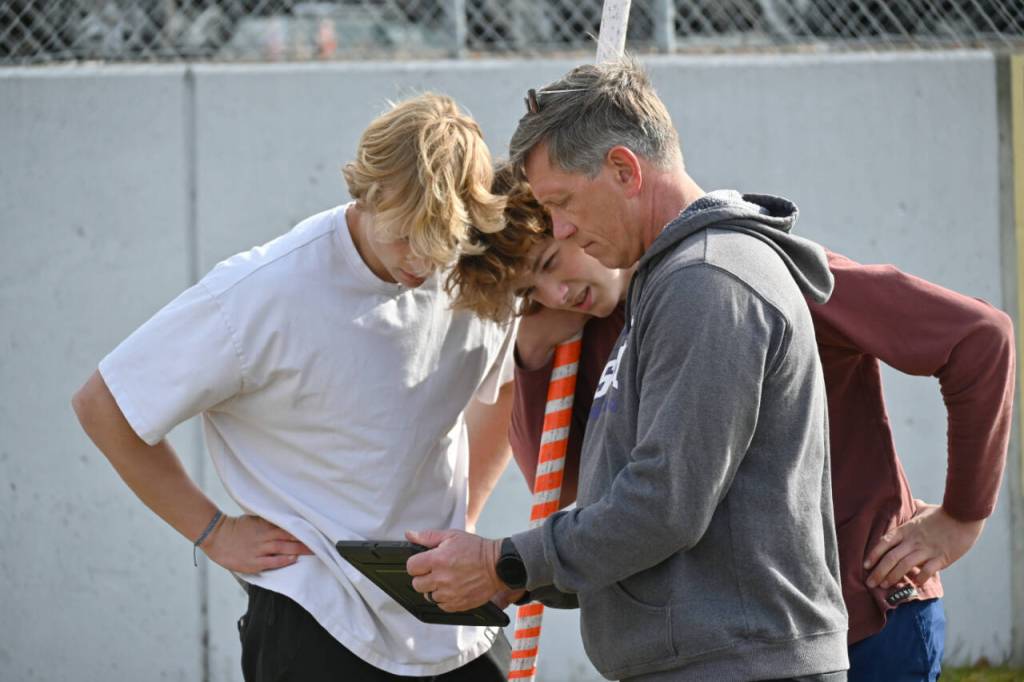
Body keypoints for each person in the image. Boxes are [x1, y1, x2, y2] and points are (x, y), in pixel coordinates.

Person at [450, 162, 1016, 681]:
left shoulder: (741, 278)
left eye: (552, 264)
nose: (557, 293)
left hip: (865, 615)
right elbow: (568, 484)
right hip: (747, 645)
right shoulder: (596, 325)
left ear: (581, 218)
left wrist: (964, 513)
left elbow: (978, 337)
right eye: (530, 295)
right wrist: (533, 352)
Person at [408, 59, 850, 681]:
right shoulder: (670, 282)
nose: (559, 227)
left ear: (624, 169)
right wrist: (525, 570)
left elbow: (663, 504)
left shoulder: (706, 282)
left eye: (561, 203)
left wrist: (505, 563)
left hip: (737, 664)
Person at [71, 93, 519, 681]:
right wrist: (213, 532)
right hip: (315, 610)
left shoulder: (470, 270)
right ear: (369, 190)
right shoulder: (263, 292)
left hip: (448, 617)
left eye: (439, 242)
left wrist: (464, 522)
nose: (420, 262)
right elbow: (105, 404)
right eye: (406, 235)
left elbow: (508, 385)